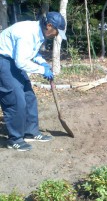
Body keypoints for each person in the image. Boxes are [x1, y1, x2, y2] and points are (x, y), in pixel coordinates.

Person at [0, 11, 67, 151]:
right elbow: (21, 61)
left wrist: (42, 63)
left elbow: (32, 52)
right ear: (49, 26)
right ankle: (15, 139)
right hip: (3, 60)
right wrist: (43, 71)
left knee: (29, 96)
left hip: (13, 60)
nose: (56, 36)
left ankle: (30, 132)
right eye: (56, 32)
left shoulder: (39, 33)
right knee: (15, 99)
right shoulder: (27, 34)